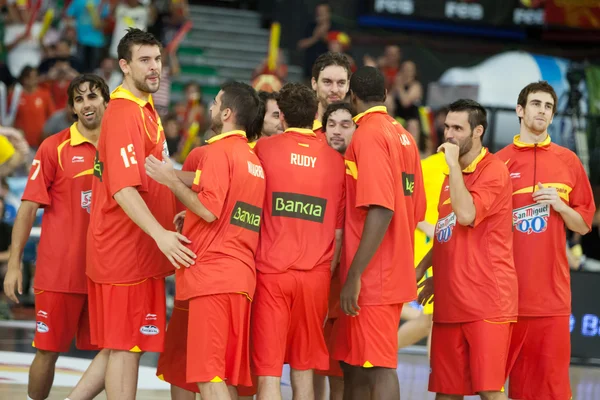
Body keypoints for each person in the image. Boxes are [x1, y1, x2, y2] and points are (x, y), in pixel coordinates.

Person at [83, 28, 191, 400]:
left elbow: (157, 173)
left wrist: (176, 210)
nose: (154, 67)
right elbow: (123, 188)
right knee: (126, 346)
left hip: (141, 250)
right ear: (124, 66)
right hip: (124, 249)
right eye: (145, 60)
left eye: (158, 59)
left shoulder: (146, 109)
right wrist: (160, 235)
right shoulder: (125, 112)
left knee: (121, 344)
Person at [146, 81, 265, 400]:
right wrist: (192, 214)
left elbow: (211, 210)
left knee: (206, 375)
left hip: (213, 278)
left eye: (215, 103)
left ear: (227, 113)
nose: (210, 107)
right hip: (239, 278)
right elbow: (231, 208)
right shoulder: (253, 161)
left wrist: (169, 179)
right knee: (222, 375)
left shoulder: (218, 151)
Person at [3, 74, 109, 400]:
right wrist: (14, 264)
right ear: (73, 109)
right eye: (79, 100)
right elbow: (28, 208)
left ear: (107, 100)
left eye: (92, 96)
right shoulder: (54, 147)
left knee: (119, 351)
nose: (86, 104)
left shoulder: (121, 148)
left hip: (108, 274)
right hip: (60, 273)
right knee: (47, 353)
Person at [495, 81, 595, 400]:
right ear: (520, 110)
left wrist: (561, 205)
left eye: (548, 106)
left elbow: (583, 225)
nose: (542, 110)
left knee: (552, 390)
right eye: (536, 104)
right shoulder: (497, 163)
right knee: (495, 389)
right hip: (504, 297)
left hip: (552, 299)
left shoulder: (568, 162)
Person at [333, 66, 425, 400]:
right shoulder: (405, 137)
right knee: (356, 365)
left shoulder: (369, 134)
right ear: (385, 95)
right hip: (391, 266)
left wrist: (355, 273)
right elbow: (415, 208)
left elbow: (382, 207)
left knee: (379, 366)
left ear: (351, 97)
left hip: (373, 274)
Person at [248, 82, 344, 400]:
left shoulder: (264, 150)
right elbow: (339, 230)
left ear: (283, 116)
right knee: (304, 370)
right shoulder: (336, 161)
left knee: (269, 373)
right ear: (316, 113)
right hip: (316, 277)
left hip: (272, 274)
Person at [417, 99, 518, 400]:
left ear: (477, 131)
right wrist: (425, 271)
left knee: (489, 391)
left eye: (458, 128)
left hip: (487, 302)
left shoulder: (494, 170)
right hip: (451, 302)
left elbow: (466, 215)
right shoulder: (452, 177)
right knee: (446, 393)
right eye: (447, 126)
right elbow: (447, 232)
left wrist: (451, 166)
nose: (449, 134)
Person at [314, 101, 356, 400]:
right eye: (332, 125)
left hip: (347, 281)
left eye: (345, 125)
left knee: (345, 370)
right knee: (317, 363)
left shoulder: (362, 167)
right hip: (316, 278)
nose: (337, 131)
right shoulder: (314, 163)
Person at [310, 52, 351, 139]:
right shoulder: (301, 128)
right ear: (314, 83)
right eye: (327, 82)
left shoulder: (357, 131)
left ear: (348, 85)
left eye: (341, 83)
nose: (335, 90)